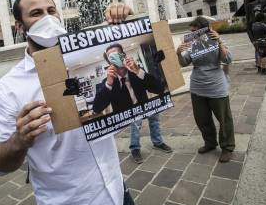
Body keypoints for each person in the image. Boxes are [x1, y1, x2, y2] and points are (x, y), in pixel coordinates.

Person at [0, 0, 137, 205]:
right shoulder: (8, 88)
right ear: (20, 26)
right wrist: (18, 140)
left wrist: (123, 21)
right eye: (36, 13)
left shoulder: (89, 60)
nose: (47, 18)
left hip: (120, 201)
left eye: (51, 10)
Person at [93, 43, 172, 164]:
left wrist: (138, 71)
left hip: (144, 104)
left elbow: (158, 88)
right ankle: (135, 148)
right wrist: (108, 83)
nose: (115, 58)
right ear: (109, 62)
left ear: (123, 55)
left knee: (154, 117)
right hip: (128, 111)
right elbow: (97, 108)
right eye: (111, 57)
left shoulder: (136, 71)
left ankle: (158, 142)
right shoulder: (108, 81)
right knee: (135, 124)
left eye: (117, 54)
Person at [176, 17, 235, 163]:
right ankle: (210, 143)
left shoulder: (215, 40)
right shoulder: (192, 45)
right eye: (191, 31)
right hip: (197, 87)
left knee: (224, 119)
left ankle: (227, 147)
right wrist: (178, 53)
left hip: (216, 86)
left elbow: (227, 60)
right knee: (202, 119)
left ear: (203, 29)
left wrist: (220, 42)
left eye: (194, 31)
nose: (192, 33)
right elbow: (184, 63)